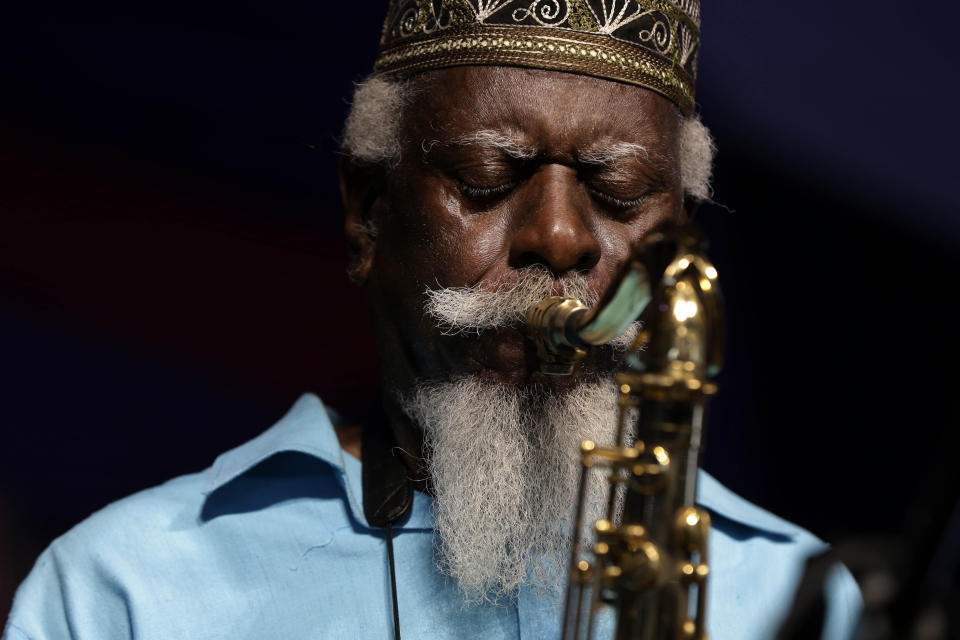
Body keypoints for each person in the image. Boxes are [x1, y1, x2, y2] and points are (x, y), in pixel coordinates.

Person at [3, 2, 862, 639]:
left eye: (621, 192)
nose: (558, 240)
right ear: (368, 212)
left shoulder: (798, 596)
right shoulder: (123, 592)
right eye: (488, 175)